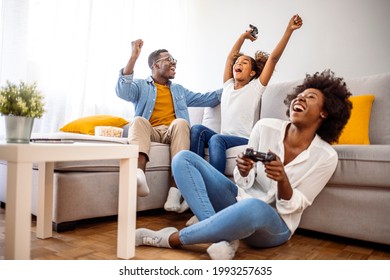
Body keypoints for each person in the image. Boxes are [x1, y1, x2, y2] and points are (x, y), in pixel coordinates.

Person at [135, 70, 353, 260]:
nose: (301, 98)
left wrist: (282, 180)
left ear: (325, 112)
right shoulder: (265, 127)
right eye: (300, 95)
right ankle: (222, 241)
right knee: (183, 158)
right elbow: (244, 183)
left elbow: (293, 206)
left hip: (276, 225)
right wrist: (244, 169)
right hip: (239, 200)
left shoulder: (326, 156)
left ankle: (169, 239)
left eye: (311, 97)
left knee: (254, 206)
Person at [190, 15, 303, 175]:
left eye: (244, 63)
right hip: (223, 138)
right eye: (237, 63)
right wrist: (243, 36)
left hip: (244, 138)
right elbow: (230, 58)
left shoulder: (255, 87)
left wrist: (288, 30)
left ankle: (216, 184)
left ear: (252, 72)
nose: (238, 64)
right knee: (197, 130)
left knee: (216, 139)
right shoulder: (228, 86)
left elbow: (273, 58)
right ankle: (194, 174)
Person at [115, 40, 222, 200]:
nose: (174, 63)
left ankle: (175, 189)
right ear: (155, 65)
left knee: (181, 122)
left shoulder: (179, 90)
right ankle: (138, 175)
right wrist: (133, 58)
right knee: (137, 120)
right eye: (169, 59)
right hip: (150, 131)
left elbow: (207, 98)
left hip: (173, 132)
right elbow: (122, 91)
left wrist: (232, 85)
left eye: (174, 60)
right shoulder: (142, 86)